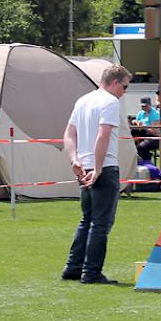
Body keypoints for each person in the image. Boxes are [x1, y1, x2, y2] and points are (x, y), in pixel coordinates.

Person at [61, 64, 132, 284]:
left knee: (87, 219)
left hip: (83, 167)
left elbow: (69, 134)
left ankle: (73, 267)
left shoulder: (83, 100)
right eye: (125, 87)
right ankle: (91, 272)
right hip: (104, 167)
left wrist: (74, 160)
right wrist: (99, 168)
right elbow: (103, 136)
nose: (125, 92)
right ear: (115, 82)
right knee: (101, 223)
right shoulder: (110, 102)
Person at [133, 97, 161, 162]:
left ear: (149, 105)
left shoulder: (155, 114)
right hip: (142, 134)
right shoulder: (140, 113)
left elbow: (156, 132)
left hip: (154, 137)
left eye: (145, 106)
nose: (143, 108)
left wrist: (144, 127)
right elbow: (136, 122)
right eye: (142, 106)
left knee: (141, 147)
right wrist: (136, 122)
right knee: (131, 144)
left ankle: (148, 162)